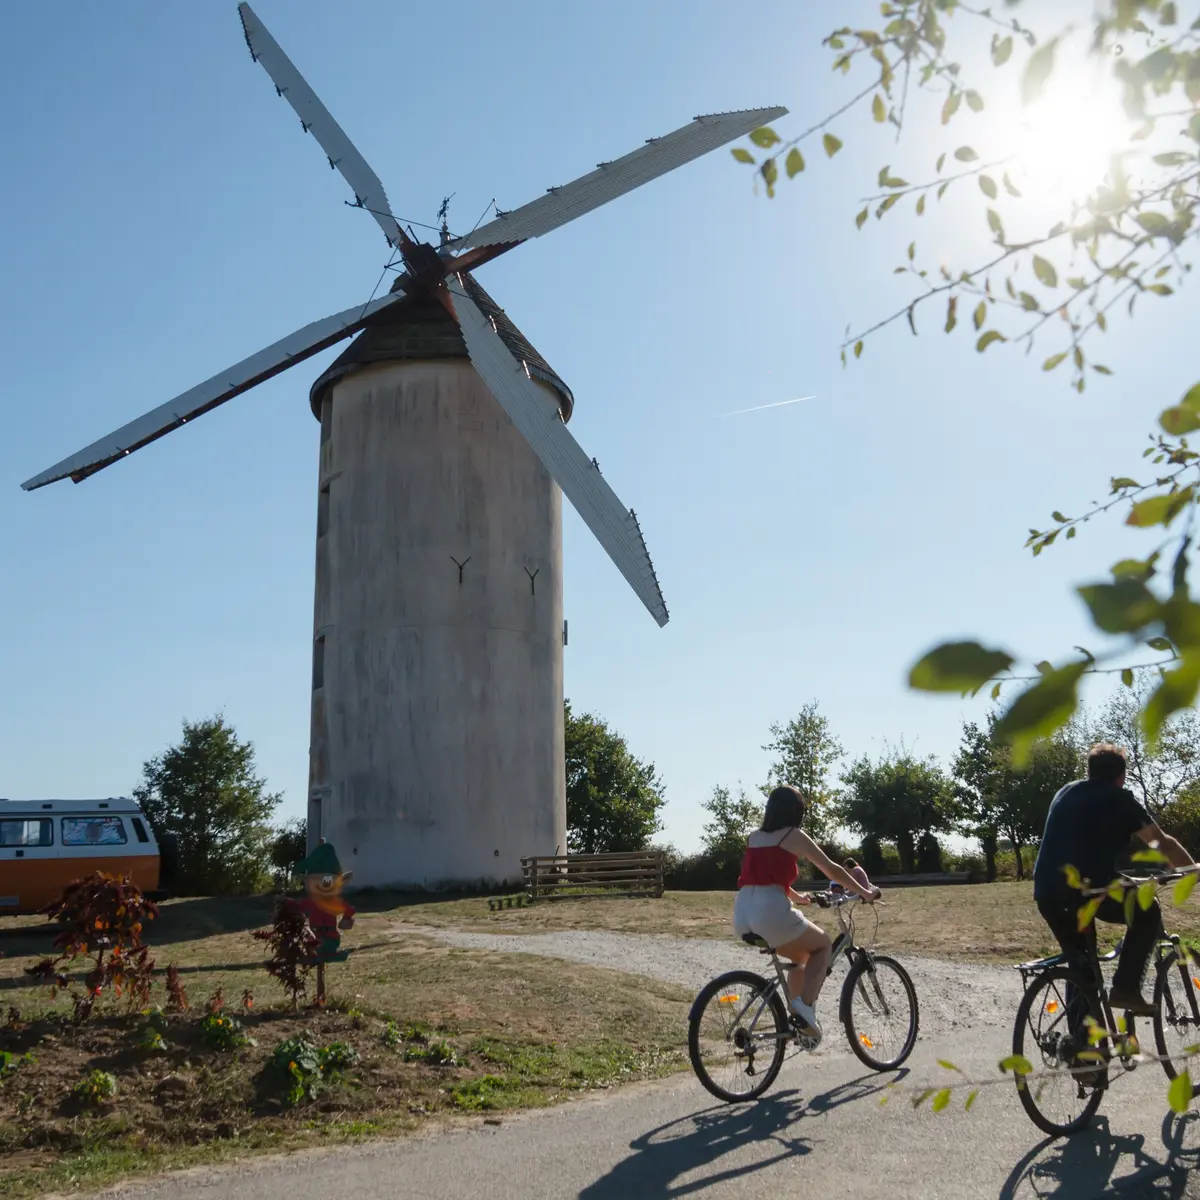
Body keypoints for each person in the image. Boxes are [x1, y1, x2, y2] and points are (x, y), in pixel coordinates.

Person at [1033, 743, 1195, 1016]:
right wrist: (1192, 870)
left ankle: (1082, 1052)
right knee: (1147, 909)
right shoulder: (1119, 799)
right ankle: (1125, 988)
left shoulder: (1067, 791)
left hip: (1047, 891)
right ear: (1121, 776)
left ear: (1090, 771)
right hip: (1086, 891)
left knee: (1082, 966)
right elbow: (1162, 843)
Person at [734, 785, 882, 1044]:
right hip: (770, 913)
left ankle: (798, 1020)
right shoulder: (794, 835)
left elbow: (762, 875)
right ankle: (804, 1008)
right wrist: (864, 891)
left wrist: (796, 897)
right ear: (796, 812)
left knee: (801, 957)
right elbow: (832, 869)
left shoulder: (754, 836)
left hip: (742, 911)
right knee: (823, 944)